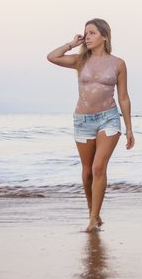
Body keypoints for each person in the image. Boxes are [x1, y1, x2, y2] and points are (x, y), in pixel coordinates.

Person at [47, 18, 134, 232]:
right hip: (83, 121)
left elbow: (123, 97)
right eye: (86, 33)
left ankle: (93, 218)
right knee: (87, 172)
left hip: (109, 118)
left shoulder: (118, 63)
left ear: (105, 36)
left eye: (92, 33)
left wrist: (129, 128)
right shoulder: (80, 60)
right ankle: (93, 212)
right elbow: (52, 57)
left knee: (98, 167)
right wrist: (71, 44)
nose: (88, 36)